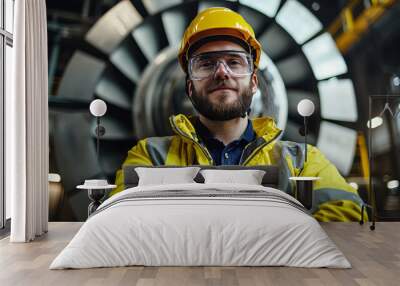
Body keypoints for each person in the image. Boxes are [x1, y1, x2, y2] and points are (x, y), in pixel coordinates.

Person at [111, 7, 366, 222]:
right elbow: (118, 221)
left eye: (234, 62)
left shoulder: (301, 161)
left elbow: (351, 215)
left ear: (254, 82)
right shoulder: (149, 157)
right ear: (190, 87)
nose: (222, 72)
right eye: (206, 64)